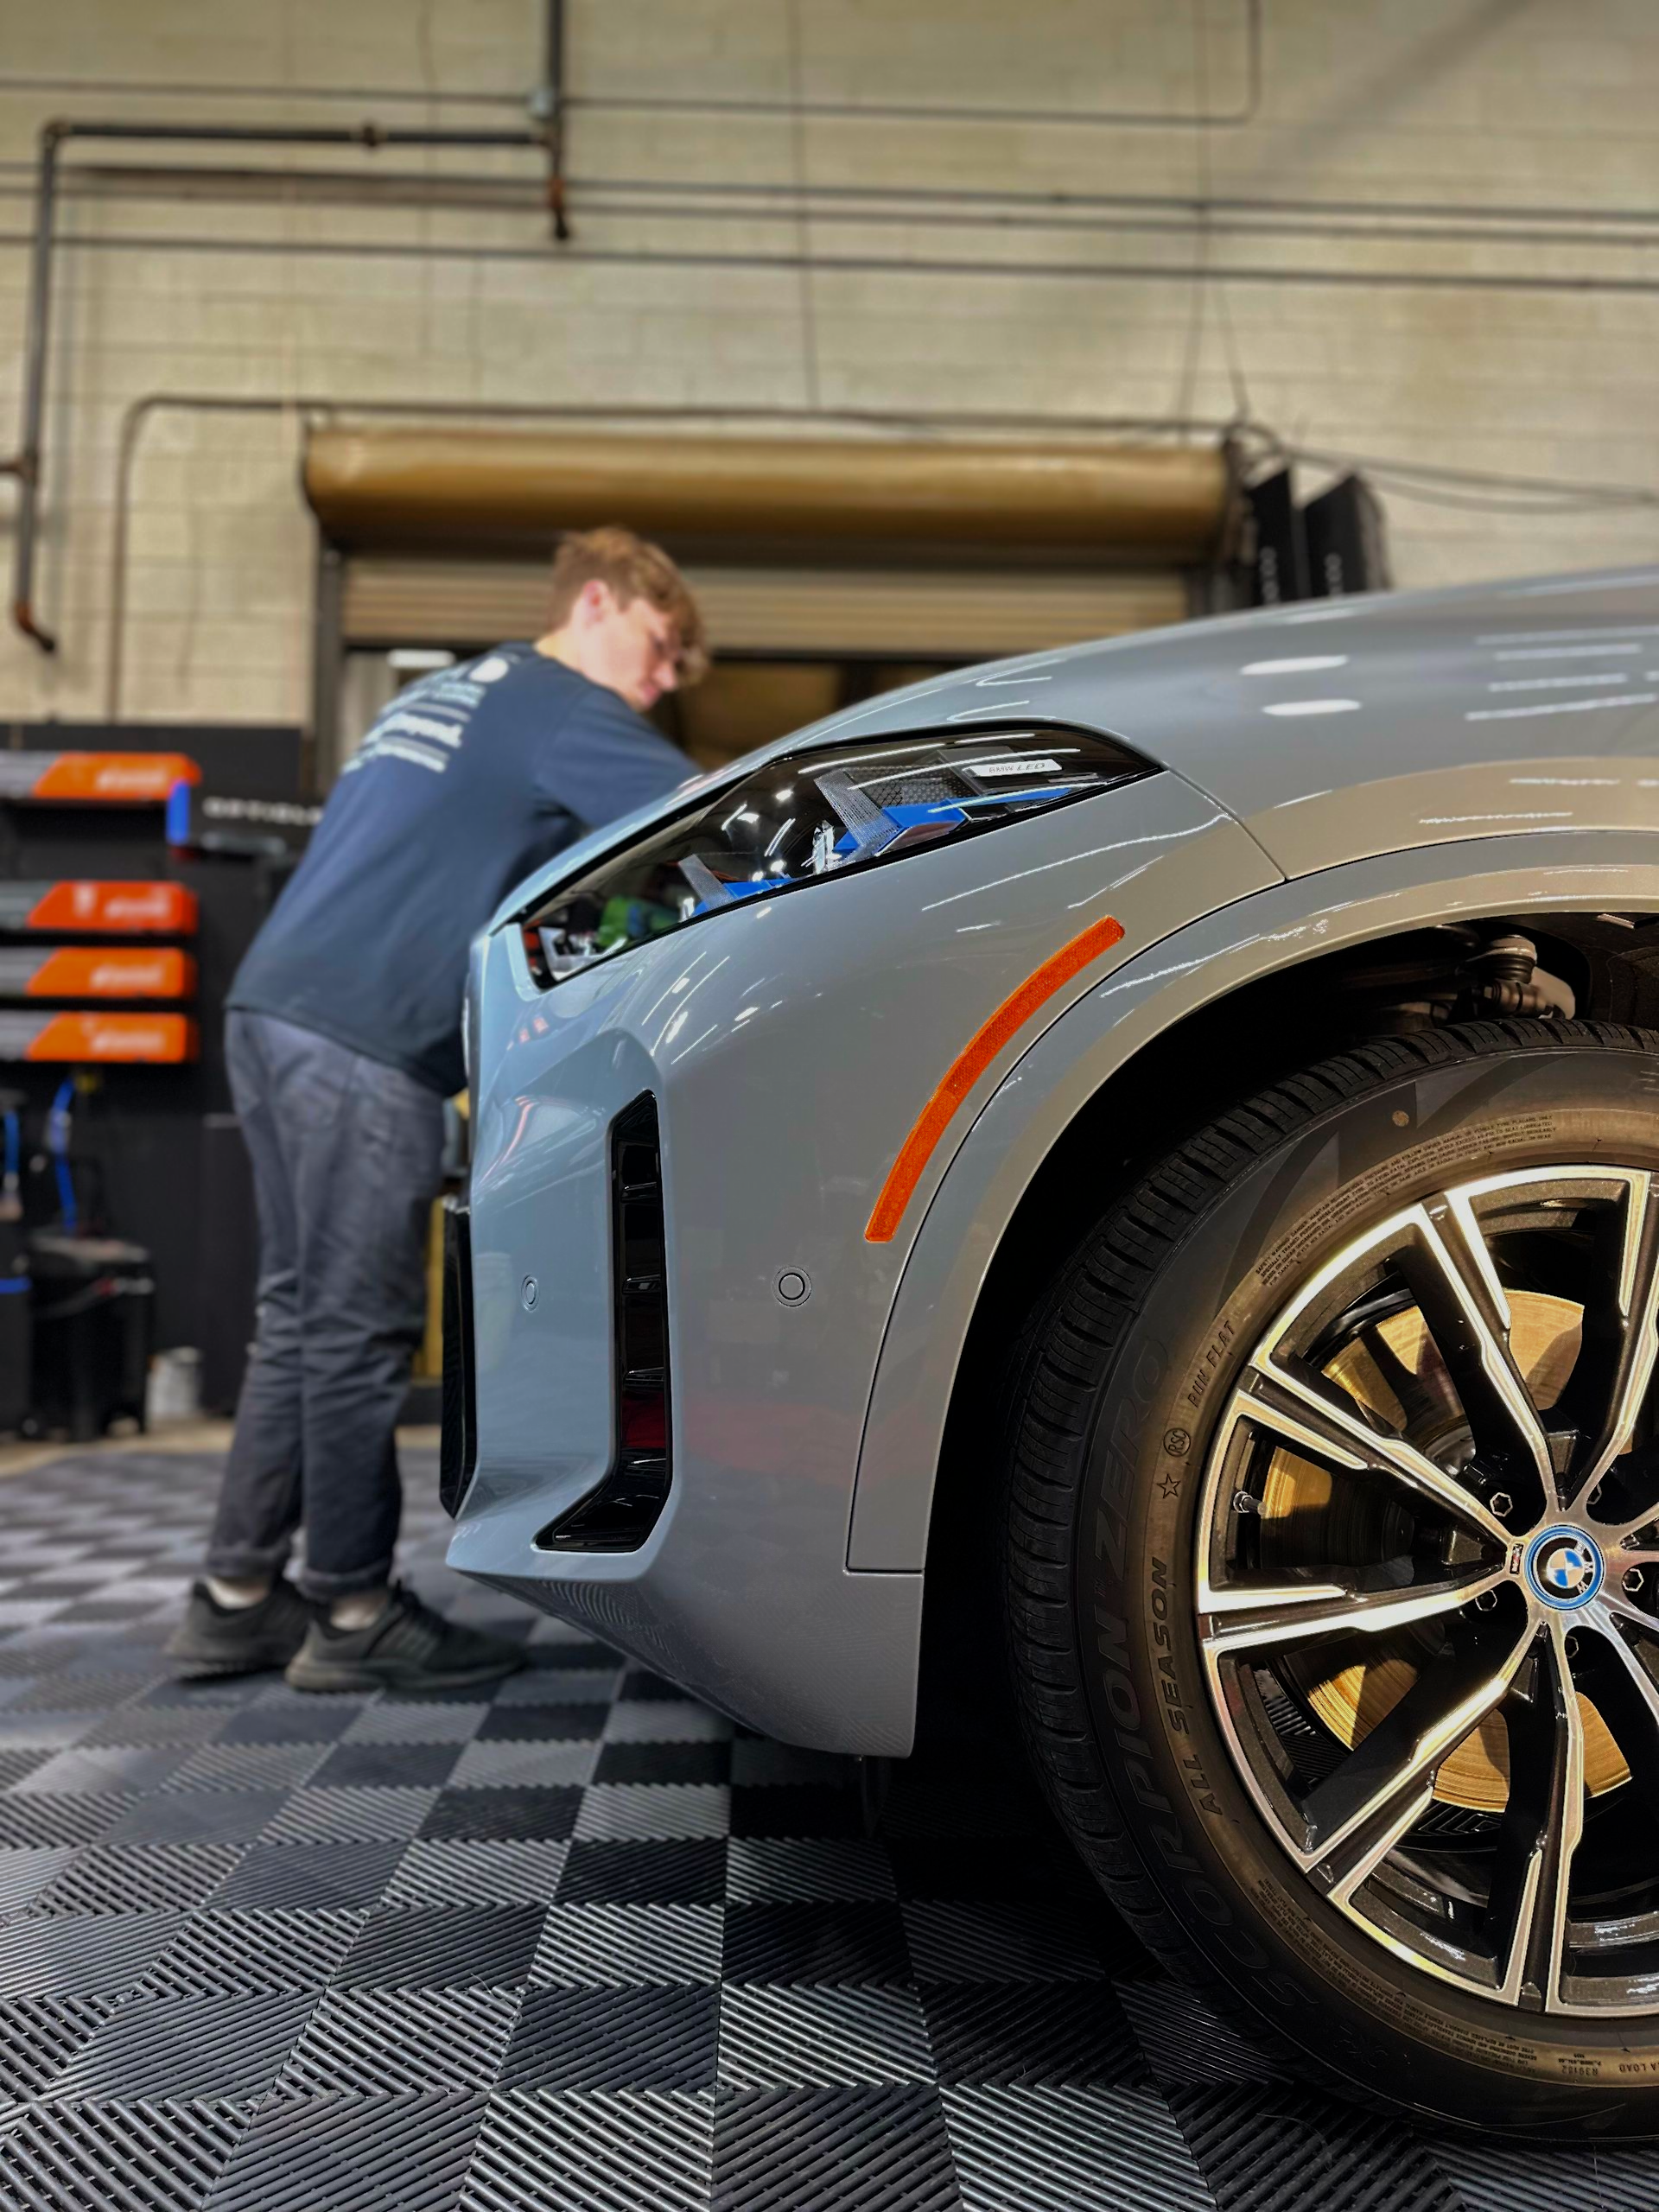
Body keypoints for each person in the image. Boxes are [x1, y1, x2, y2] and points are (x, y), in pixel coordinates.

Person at [167, 527, 705, 1691]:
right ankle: (353, 1611)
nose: (664, 684)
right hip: (365, 1043)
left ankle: (234, 1595)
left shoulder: (456, 690)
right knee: (359, 1331)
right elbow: (711, 823)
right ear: (601, 603)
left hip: (273, 1012)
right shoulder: (564, 705)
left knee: (298, 1320)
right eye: (663, 651)